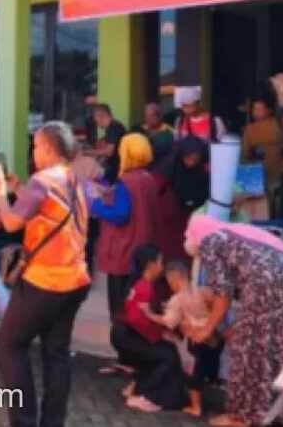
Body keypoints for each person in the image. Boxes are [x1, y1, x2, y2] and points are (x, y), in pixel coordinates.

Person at [0, 121, 91, 427]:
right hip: (75, 278)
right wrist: (19, 189)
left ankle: (23, 420)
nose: (33, 153)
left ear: (47, 147)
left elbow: (10, 224)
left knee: (9, 345)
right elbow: (52, 210)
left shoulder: (43, 180)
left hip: (45, 281)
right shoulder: (73, 178)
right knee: (57, 353)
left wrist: (0, 194)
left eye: (35, 146)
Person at [185, 215, 283, 427]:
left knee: (250, 349)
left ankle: (242, 416)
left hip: (267, 283)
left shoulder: (209, 239)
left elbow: (223, 296)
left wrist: (207, 329)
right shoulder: (238, 231)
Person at [111, 243, 187, 413]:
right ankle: (143, 395)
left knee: (166, 350)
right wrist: (159, 335)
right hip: (128, 336)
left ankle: (137, 386)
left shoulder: (140, 284)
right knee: (168, 356)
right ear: (151, 265)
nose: (162, 267)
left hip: (124, 335)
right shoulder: (144, 287)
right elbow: (136, 319)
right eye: (160, 262)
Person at [97, 134, 158, 317]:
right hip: (142, 250)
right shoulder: (149, 179)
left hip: (122, 251)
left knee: (119, 309)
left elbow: (119, 215)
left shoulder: (126, 182)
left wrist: (95, 205)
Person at [163, 259, 221, 418]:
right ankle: (208, 393)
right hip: (213, 338)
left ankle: (196, 407)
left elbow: (169, 322)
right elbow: (219, 304)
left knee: (193, 373)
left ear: (173, 279)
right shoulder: (203, 291)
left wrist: (150, 314)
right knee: (204, 369)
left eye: (169, 282)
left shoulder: (178, 299)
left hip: (197, 339)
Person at [151, 136, 209, 266]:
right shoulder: (168, 168)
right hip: (170, 222)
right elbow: (156, 192)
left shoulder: (202, 171)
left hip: (193, 219)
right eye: (188, 157)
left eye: (195, 158)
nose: (192, 162)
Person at [242, 97, 283, 200]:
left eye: (260, 109)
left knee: (280, 205)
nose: (256, 112)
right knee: (258, 208)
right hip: (258, 174)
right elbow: (245, 155)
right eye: (254, 109)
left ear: (268, 110)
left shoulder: (281, 123)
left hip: (281, 173)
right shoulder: (249, 129)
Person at [84, 103, 128, 183]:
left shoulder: (114, 127)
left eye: (95, 119)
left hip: (117, 169)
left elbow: (109, 152)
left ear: (100, 116)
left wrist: (89, 153)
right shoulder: (113, 127)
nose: (96, 123)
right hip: (115, 167)